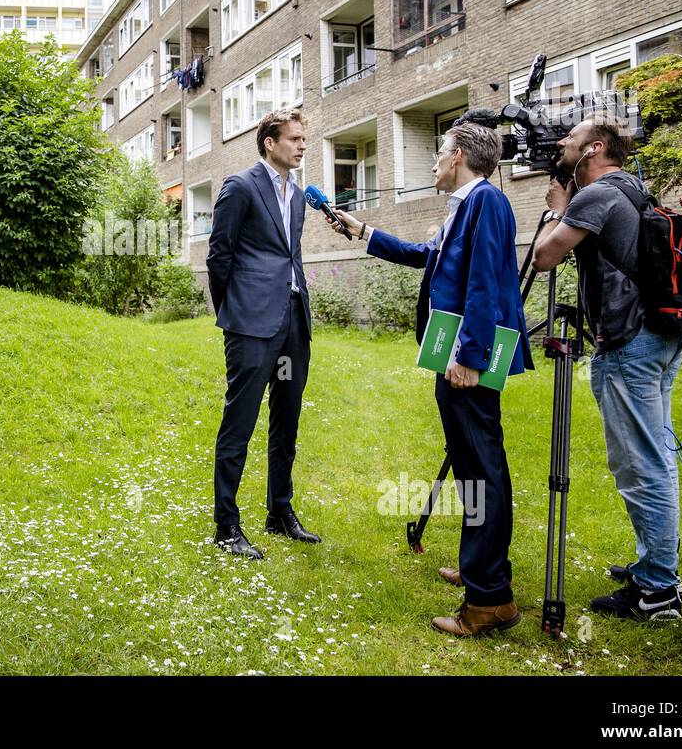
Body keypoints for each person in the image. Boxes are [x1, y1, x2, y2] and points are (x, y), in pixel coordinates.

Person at [329, 123, 533, 636]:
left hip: (468, 360)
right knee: (472, 465)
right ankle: (478, 569)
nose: (434, 162)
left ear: (459, 155)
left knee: (482, 468)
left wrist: (469, 355)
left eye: (439, 153)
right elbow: (427, 258)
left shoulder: (486, 202)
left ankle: (489, 600)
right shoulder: (467, 205)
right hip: (460, 356)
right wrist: (363, 232)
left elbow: (486, 280)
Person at [532, 113, 682, 622]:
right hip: (659, 338)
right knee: (656, 455)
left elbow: (545, 258)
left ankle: (659, 592)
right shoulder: (636, 189)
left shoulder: (596, 195)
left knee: (640, 464)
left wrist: (557, 210)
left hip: (630, 343)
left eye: (570, 142)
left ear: (595, 148)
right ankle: (653, 565)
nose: (561, 149)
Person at [205, 108, 319, 560]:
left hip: (293, 320)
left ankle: (279, 512)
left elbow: (290, 256)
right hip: (251, 325)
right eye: (294, 138)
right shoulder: (241, 187)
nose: (302, 145)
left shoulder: (297, 195)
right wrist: (234, 311)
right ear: (269, 143)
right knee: (241, 420)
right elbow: (220, 257)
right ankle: (227, 526)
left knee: (286, 419)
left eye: (304, 139)